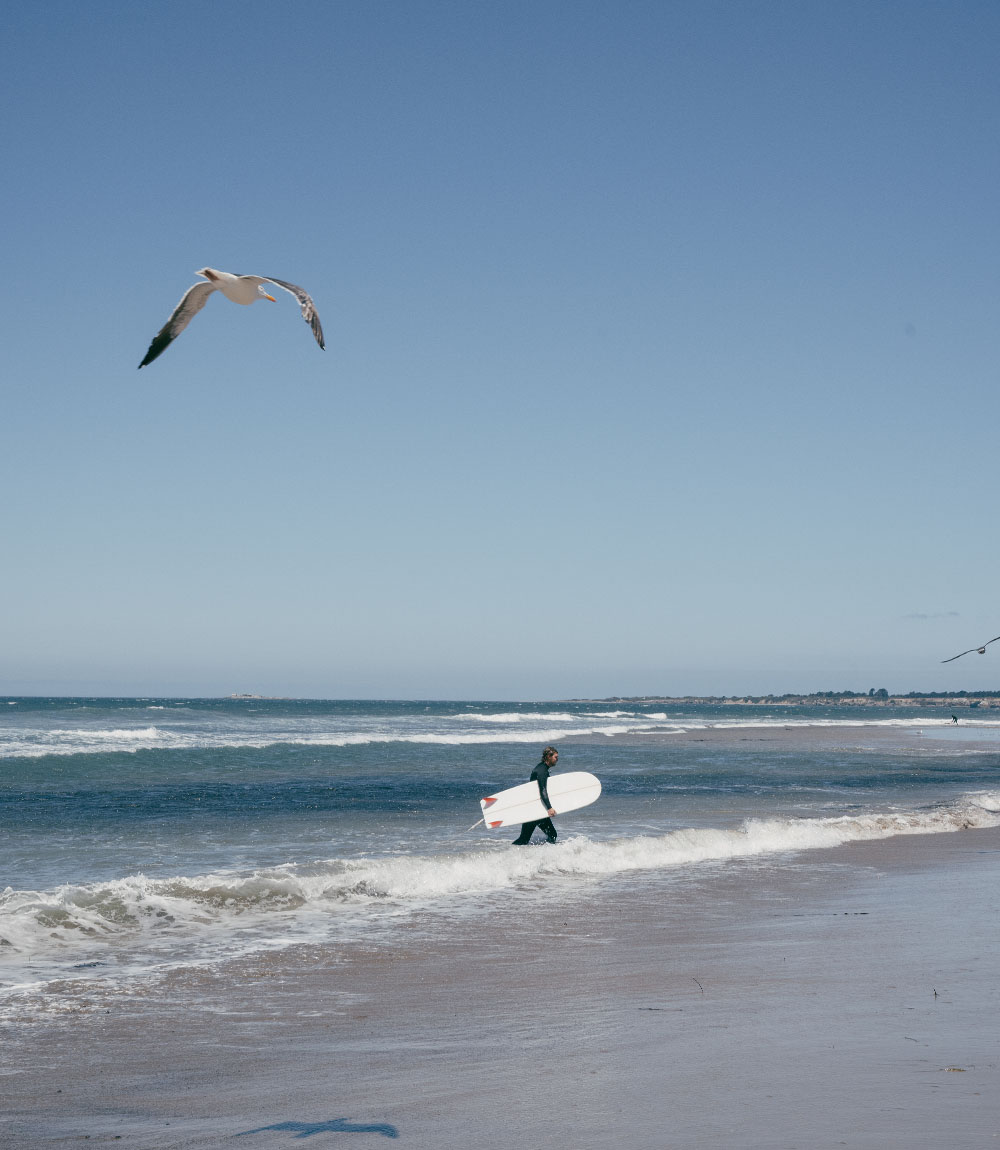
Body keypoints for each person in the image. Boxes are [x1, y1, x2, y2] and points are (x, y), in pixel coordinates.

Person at [512, 746, 560, 845]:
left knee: (524, 839)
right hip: (536, 811)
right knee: (553, 835)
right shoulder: (542, 771)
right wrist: (549, 808)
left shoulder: (541, 767)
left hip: (532, 809)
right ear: (548, 756)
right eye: (555, 757)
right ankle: (545, 854)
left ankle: (509, 852)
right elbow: (542, 790)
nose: (557, 760)